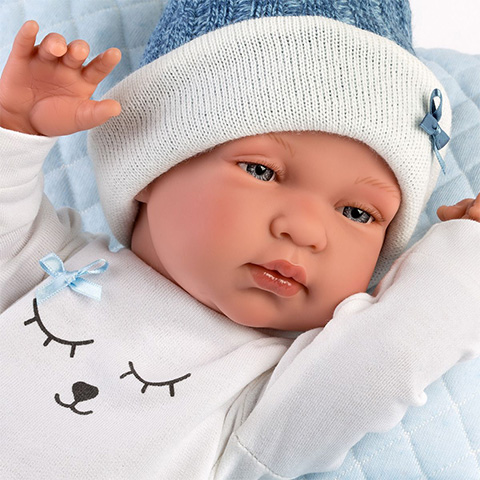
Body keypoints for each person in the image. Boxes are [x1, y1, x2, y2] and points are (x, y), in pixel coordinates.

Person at [1, 1, 480, 479]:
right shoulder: (44, 263)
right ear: (151, 169)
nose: (306, 231)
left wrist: (464, 261)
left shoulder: (264, 400)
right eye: (261, 171)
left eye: (357, 213)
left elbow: (384, 360)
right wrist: (15, 129)